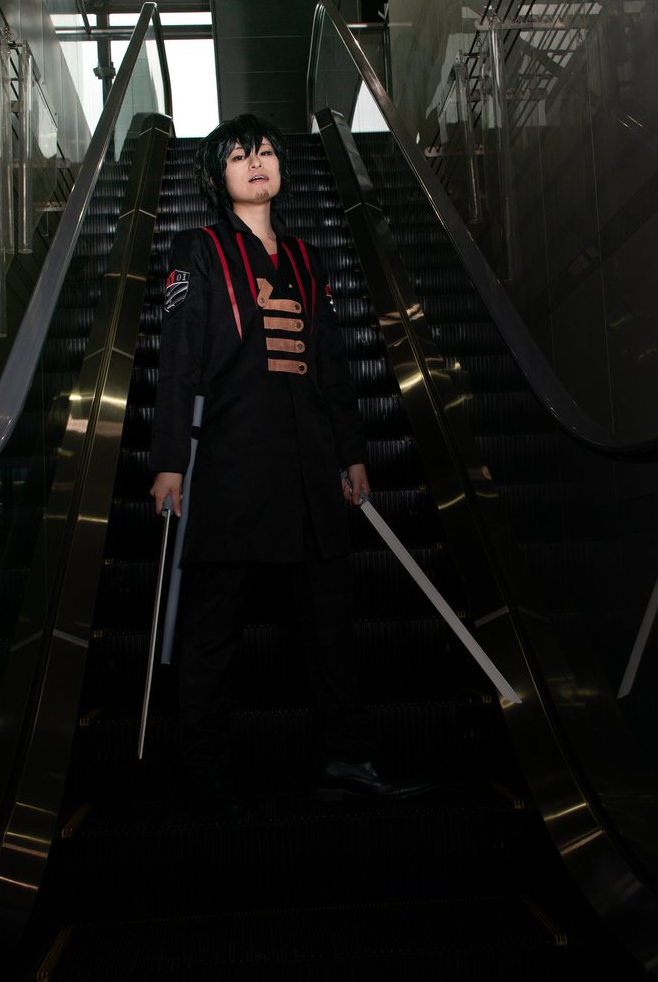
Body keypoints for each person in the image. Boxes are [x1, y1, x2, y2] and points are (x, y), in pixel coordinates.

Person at [149, 113, 426, 814]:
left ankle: (345, 756)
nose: (256, 163)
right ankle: (203, 773)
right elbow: (178, 360)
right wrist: (170, 460)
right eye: (239, 156)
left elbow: (331, 363)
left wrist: (351, 452)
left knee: (331, 627)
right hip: (232, 468)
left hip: (310, 471)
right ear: (217, 176)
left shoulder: (306, 257)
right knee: (212, 632)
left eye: (266, 151)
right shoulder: (198, 248)